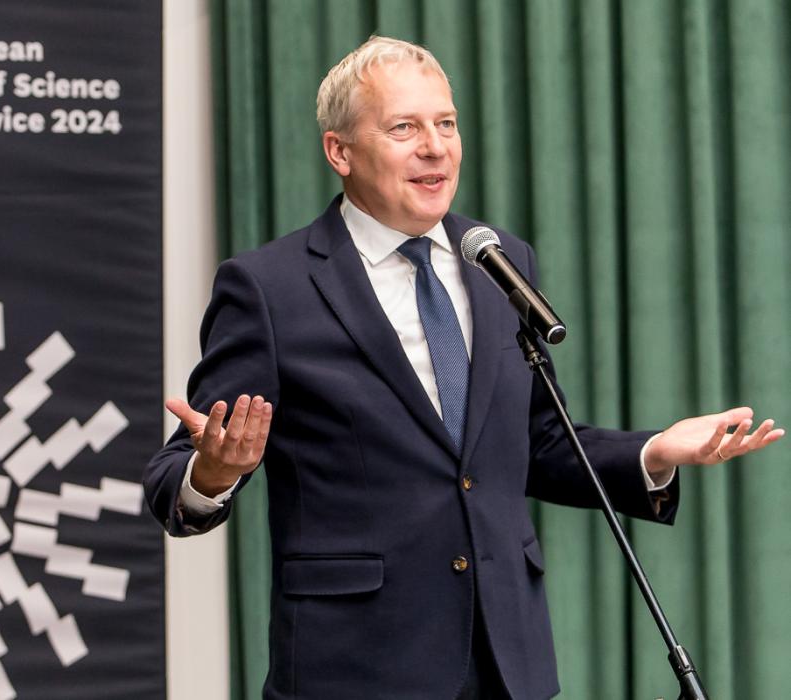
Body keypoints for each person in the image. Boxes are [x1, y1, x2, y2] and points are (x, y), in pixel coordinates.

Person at [143, 36, 783, 699]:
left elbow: (538, 442)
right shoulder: (270, 288)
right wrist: (212, 473)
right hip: (356, 669)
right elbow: (174, 479)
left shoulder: (500, 262)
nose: (435, 147)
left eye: (446, 124)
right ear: (340, 151)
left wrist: (653, 451)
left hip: (507, 662)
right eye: (404, 128)